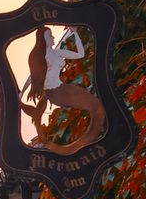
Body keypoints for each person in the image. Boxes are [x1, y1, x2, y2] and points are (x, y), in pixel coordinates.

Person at [19, 26, 106, 154]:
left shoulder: (57, 53)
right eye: (50, 36)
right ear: (43, 39)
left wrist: (75, 33)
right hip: (55, 93)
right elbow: (33, 77)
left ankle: (84, 142)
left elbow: (80, 54)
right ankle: (78, 144)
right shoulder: (40, 58)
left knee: (96, 106)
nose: (53, 38)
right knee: (95, 106)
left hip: (62, 88)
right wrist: (22, 92)